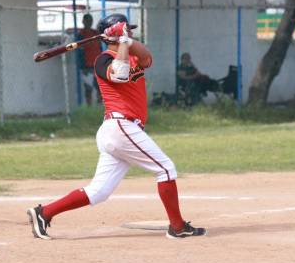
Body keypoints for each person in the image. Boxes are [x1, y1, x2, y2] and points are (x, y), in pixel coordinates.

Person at [26, 13, 206, 240]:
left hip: (122, 130)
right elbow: (119, 75)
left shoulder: (132, 54)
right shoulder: (103, 59)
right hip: (120, 126)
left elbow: (148, 58)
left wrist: (126, 41)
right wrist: (120, 43)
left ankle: (44, 213)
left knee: (98, 192)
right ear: (110, 35)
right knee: (166, 169)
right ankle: (178, 227)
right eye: (125, 30)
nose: (130, 32)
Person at [75, 13, 102, 106]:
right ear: (83, 22)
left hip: (97, 65)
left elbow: (100, 49)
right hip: (87, 66)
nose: (89, 23)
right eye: (87, 21)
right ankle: (89, 106)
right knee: (88, 88)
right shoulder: (80, 35)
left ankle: (99, 106)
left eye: (90, 21)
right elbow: (79, 52)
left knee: (100, 87)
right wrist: (82, 66)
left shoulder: (95, 33)